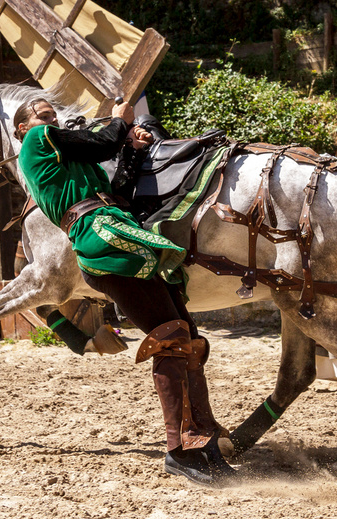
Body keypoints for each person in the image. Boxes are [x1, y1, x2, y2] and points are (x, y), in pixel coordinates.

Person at [13, 98, 234, 485]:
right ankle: (182, 450)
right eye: (44, 115)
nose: (52, 120)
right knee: (171, 337)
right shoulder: (37, 140)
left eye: (52, 115)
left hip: (117, 229)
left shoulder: (72, 161)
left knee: (187, 335)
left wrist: (131, 147)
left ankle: (205, 442)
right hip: (99, 238)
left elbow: (119, 189)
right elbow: (100, 143)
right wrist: (119, 122)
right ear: (22, 129)